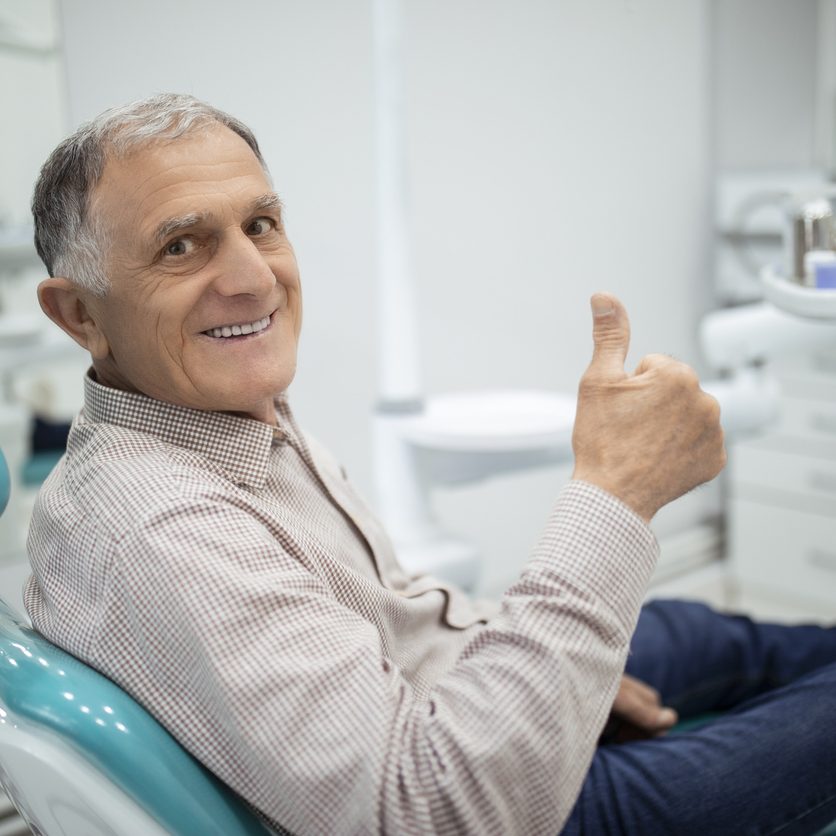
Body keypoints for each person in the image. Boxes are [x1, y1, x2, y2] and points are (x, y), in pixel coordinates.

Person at [24, 93, 836, 836]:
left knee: (699, 632)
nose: (251, 277)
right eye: (181, 245)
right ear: (80, 314)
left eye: (261, 224)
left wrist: (555, 693)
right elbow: (438, 813)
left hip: (456, 717)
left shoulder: (224, 421)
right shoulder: (160, 524)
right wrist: (615, 496)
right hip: (490, 804)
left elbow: (400, 623)